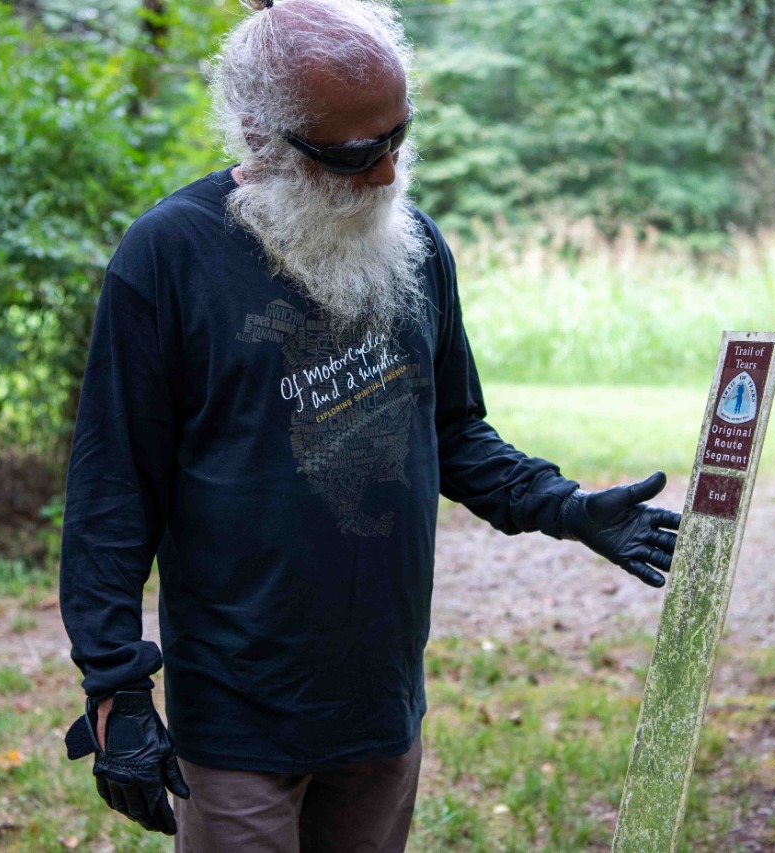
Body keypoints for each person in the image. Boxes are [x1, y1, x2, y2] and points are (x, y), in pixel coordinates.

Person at [59, 0, 681, 849]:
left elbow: (454, 432)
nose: (388, 174)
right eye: (355, 153)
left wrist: (562, 507)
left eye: (399, 136)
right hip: (240, 716)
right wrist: (116, 689)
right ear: (259, 135)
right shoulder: (167, 257)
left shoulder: (413, 244)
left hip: (380, 702)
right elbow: (112, 490)